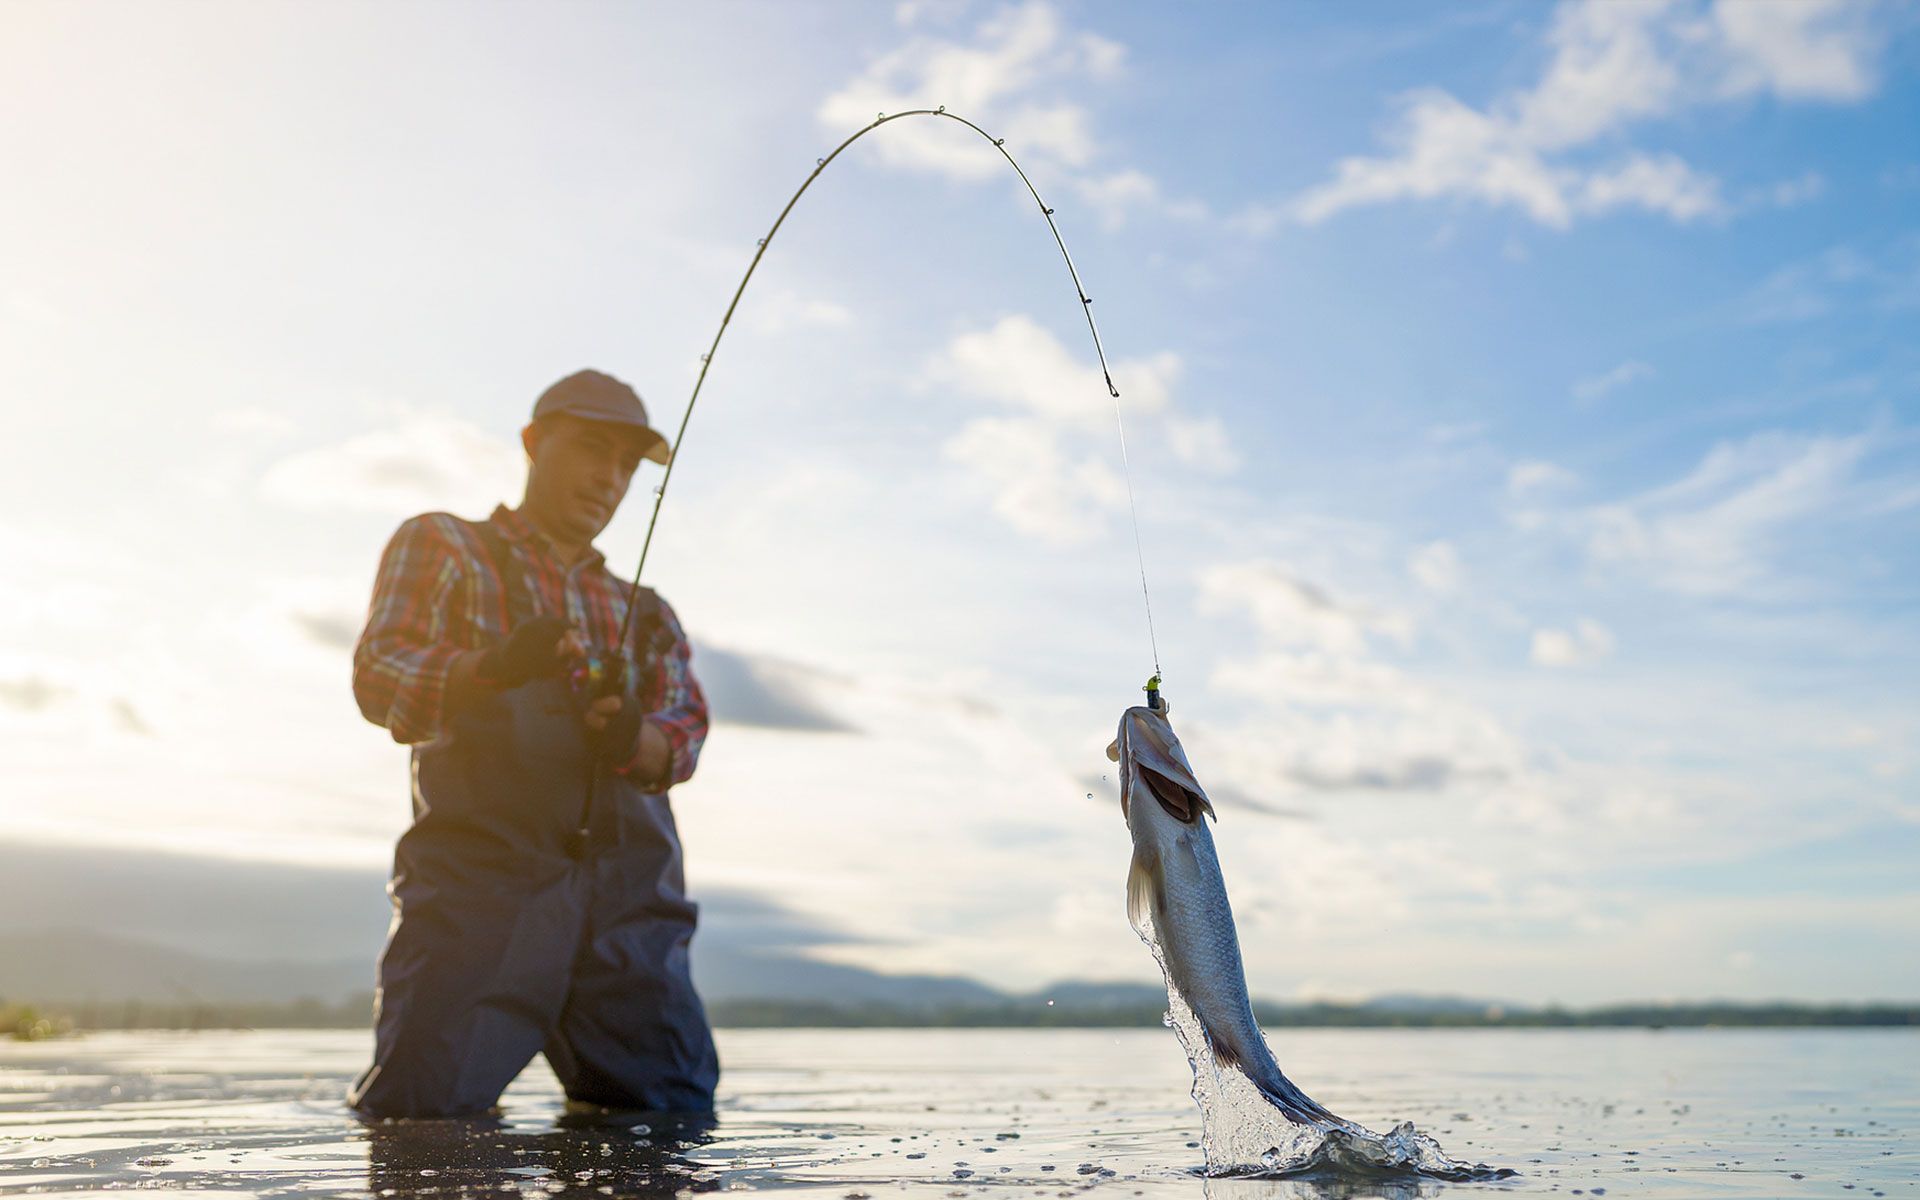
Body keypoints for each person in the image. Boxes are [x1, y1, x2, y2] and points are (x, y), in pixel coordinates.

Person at [346, 369, 717, 1119]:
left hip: (629, 919)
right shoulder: (443, 544)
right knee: (421, 1122)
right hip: (478, 903)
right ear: (533, 442)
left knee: (669, 1125)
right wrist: (493, 668)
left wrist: (628, 734)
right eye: (591, 449)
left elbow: (681, 739)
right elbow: (380, 676)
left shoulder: (645, 611)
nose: (609, 479)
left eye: (626, 465)